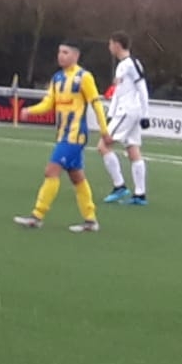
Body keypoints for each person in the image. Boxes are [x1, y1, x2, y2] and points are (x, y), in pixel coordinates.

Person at [13, 41, 112, 233]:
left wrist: (104, 130)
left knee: (51, 171)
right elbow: (48, 104)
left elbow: (96, 104)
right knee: (77, 177)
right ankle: (90, 220)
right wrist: (29, 111)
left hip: (75, 135)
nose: (61, 55)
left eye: (65, 52)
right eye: (59, 52)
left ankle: (37, 216)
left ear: (76, 56)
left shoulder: (84, 77)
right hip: (62, 135)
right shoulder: (57, 78)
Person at [99, 32, 150, 206]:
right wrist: (111, 114)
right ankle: (140, 194)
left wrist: (146, 114)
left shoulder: (130, 64)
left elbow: (142, 88)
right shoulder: (123, 65)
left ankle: (119, 186)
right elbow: (118, 92)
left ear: (117, 45)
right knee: (133, 149)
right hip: (127, 111)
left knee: (103, 145)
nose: (109, 47)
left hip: (127, 111)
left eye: (110, 44)